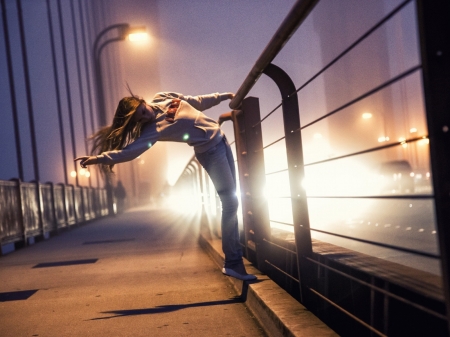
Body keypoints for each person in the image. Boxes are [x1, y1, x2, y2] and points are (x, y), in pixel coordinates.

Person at [75, 91, 256, 281]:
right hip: (211, 153)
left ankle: (234, 261)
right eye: (141, 118)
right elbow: (129, 152)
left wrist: (224, 96)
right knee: (230, 203)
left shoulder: (163, 97)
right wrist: (98, 158)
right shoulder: (153, 130)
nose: (146, 116)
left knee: (233, 200)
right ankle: (233, 263)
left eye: (143, 111)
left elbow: (196, 101)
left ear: (142, 101)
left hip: (222, 141)